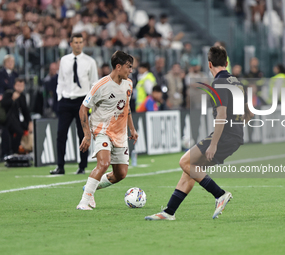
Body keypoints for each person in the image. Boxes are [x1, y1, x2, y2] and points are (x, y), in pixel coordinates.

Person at [145, 46, 254, 220]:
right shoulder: (236, 82)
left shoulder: (219, 83)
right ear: (226, 63)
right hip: (235, 135)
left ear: (209, 64)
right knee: (191, 169)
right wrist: (237, 128)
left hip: (224, 136)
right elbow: (250, 113)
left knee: (184, 162)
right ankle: (169, 212)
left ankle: (220, 194)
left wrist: (214, 143)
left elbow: (222, 114)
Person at [76, 50, 138, 210]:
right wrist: (87, 135)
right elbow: (83, 108)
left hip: (120, 134)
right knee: (103, 163)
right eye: (128, 67)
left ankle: (90, 188)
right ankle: (83, 202)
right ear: (118, 66)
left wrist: (132, 128)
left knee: (121, 174)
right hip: (102, 131)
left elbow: (127, 107)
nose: (131, 70)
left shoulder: (129, 84)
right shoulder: (100, 86)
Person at [50, 33, 98, 175]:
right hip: (65, 100)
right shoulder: (64, 60)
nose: (78, 44)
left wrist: (90, 104)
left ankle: (82, 166)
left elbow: (94, 83)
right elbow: (61, 80)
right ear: (71, 44)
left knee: (82, 135)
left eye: (80, 42)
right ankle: (60, 166)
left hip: (82, 102)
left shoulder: (90, 61)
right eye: (75, 42)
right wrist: (59, 97)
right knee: (61, 134)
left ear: (83, 43)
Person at [1, 78, 33, 155]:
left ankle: (15, 151)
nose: (20, 87)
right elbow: (3, 104)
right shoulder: (9, 93)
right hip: (6, 121)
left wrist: (29, 122)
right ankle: (12, 151)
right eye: (18, 85)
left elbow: (25, 111)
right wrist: (12, 99)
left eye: (21, 86)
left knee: (21, 130)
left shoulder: (22, 96)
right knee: (17, 132)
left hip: (17, 121)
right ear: (14, 86)